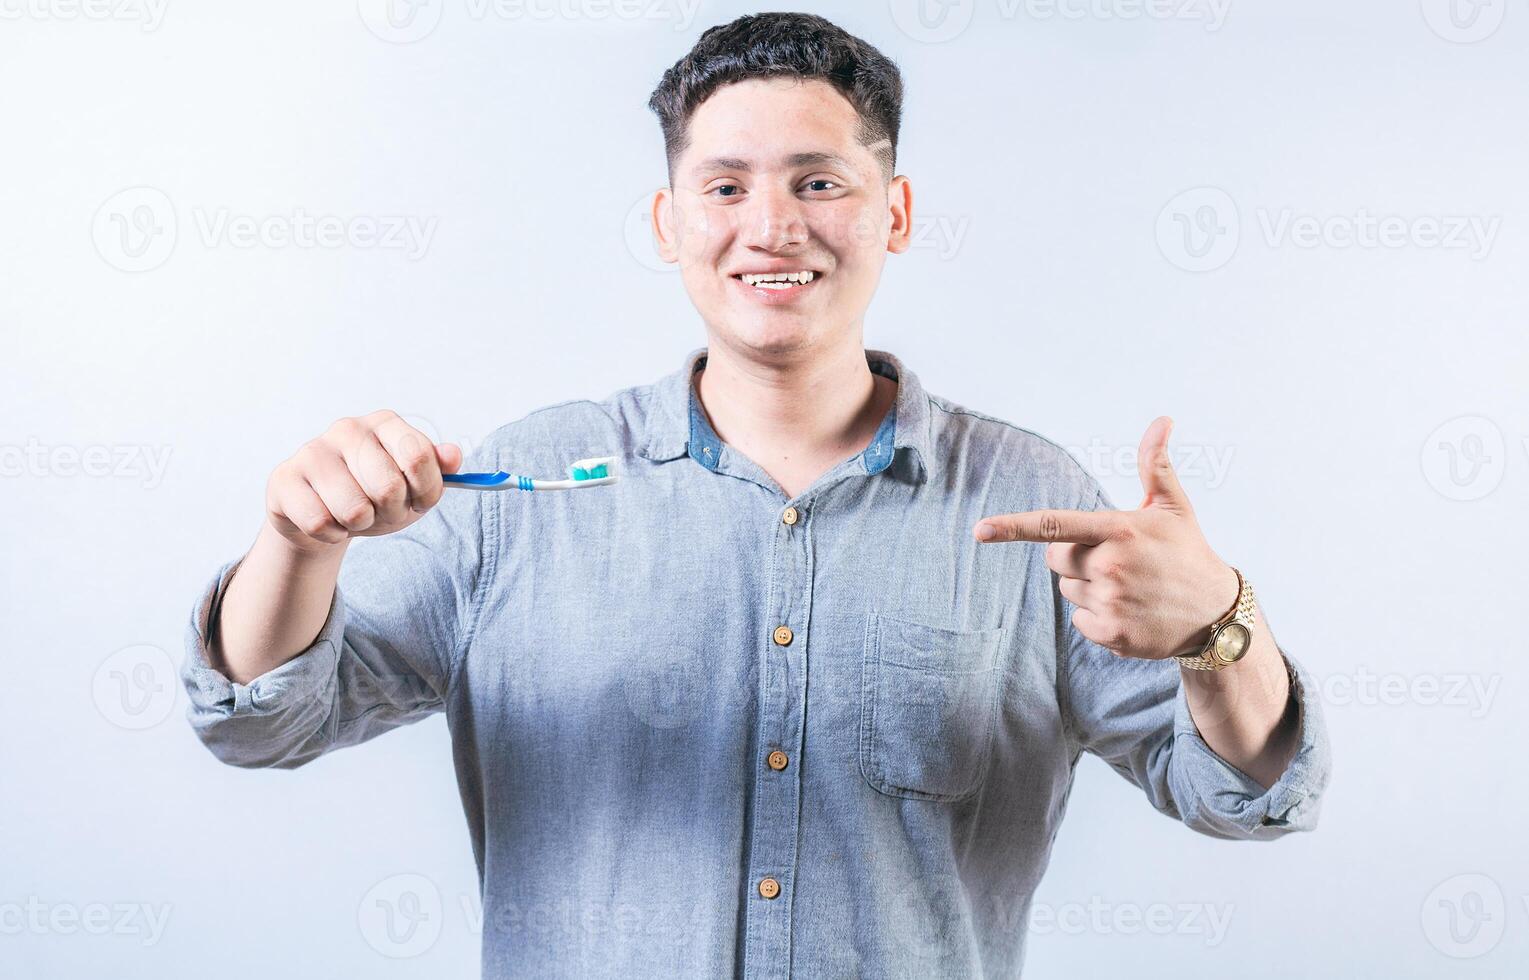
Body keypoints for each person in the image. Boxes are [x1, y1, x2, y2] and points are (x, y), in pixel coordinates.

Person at [180, 12, 1330, 978]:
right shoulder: (514, 489)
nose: (770, 226)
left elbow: (1246, 794)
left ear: (893, 210)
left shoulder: (1031, 500)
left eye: (818, 181)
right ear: (669, 222)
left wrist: (1219, 623)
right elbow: (260, 716)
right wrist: (297, 544)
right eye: (723, 184)